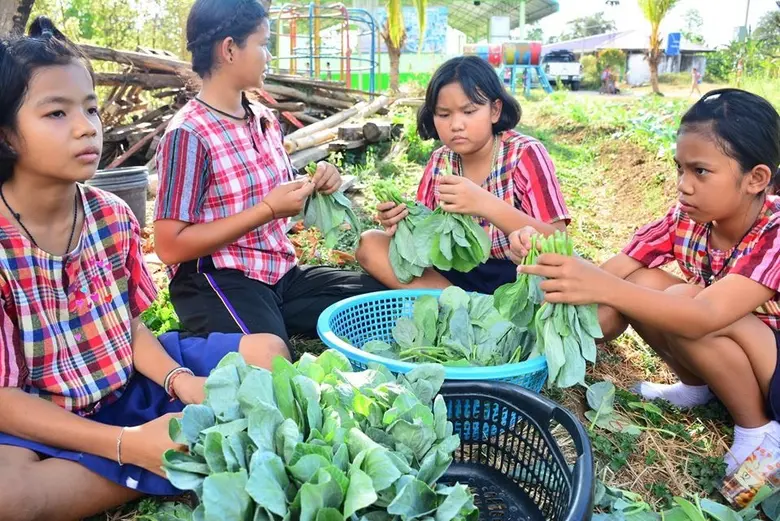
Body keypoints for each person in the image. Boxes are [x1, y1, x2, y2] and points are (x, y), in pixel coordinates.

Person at [0, 17, 279, 520]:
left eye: (89, 107)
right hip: (39, 417)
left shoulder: (110, 215)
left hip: (126, 381)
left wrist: (178, 381)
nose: (87, 125)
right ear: (7, 136)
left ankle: (167, 452)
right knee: (12, 497)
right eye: (57, 113)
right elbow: (5, 399)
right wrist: (126, 443)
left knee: (266, 352)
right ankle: (169, 453)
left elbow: (124, 327)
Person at [510, 89, 780, 474]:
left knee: (687, 299)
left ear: (756, 178)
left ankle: (759, 430)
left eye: (700, 171)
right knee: (645, 282)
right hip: (741, 349)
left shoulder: (774, 230)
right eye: (679, 168)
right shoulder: (684, 219)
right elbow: (617, 273)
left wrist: (605, 287)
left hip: (775, 366)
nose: (683, 185)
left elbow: (707, 313)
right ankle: (697, 387)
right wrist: (547, 262)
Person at [153, 0, 386, 352]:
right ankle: (184, 348)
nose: (269, 56)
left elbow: (278, 188)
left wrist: (320, 181)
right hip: (217, 279)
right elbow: (169, 246)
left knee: (376, 304)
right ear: (230, 49)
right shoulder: (188, 134)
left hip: (279, 274)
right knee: (273, 355)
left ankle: (266, 318)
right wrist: (266, 210)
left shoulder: (261, 117)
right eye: (263, 44)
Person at [356, 55, 570, 294]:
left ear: (495, 110)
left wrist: (483, 203)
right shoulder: (440, 161)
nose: (456, 125)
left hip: (516, 277)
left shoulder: (524, 154)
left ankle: (478, 311)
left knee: (560, 288)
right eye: (444, 115)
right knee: (370, 244)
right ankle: (462, 307)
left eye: (469, 111)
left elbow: (557, 239)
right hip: (451, 277)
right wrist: (400, 220)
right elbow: (424, 239)